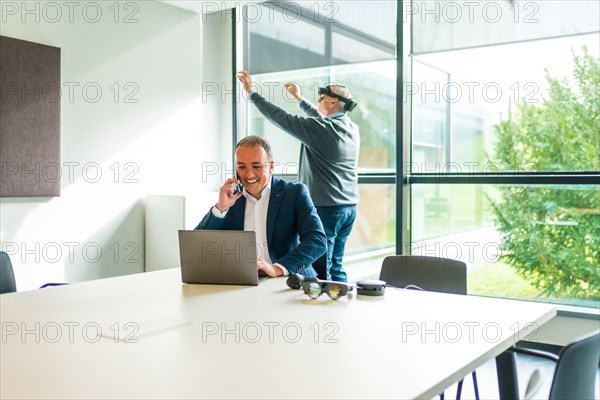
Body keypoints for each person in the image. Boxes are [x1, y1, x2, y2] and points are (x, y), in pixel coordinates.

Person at [236, 71, 359, 282]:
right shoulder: (350, 128)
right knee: (336, 264)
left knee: (324, 269)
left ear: (332, 100)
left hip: (327, 208)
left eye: (321, 96)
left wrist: (251, 93)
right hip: (348, 208)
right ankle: (342, 303)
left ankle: (325, 308)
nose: (318, 100)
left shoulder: (322, 129)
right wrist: (299, 99)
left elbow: (281, 118)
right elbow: (319, 119)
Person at [195, 135, 326, 278]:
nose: (249, 174)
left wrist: (278, 268)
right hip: (242, 282)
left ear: (270, 166)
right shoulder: (231, 198)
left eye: (256, 166)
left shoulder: (294, 193)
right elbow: (197, 244)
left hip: (289, 279)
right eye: (242, 166)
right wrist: (221, 208)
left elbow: (317, 240)